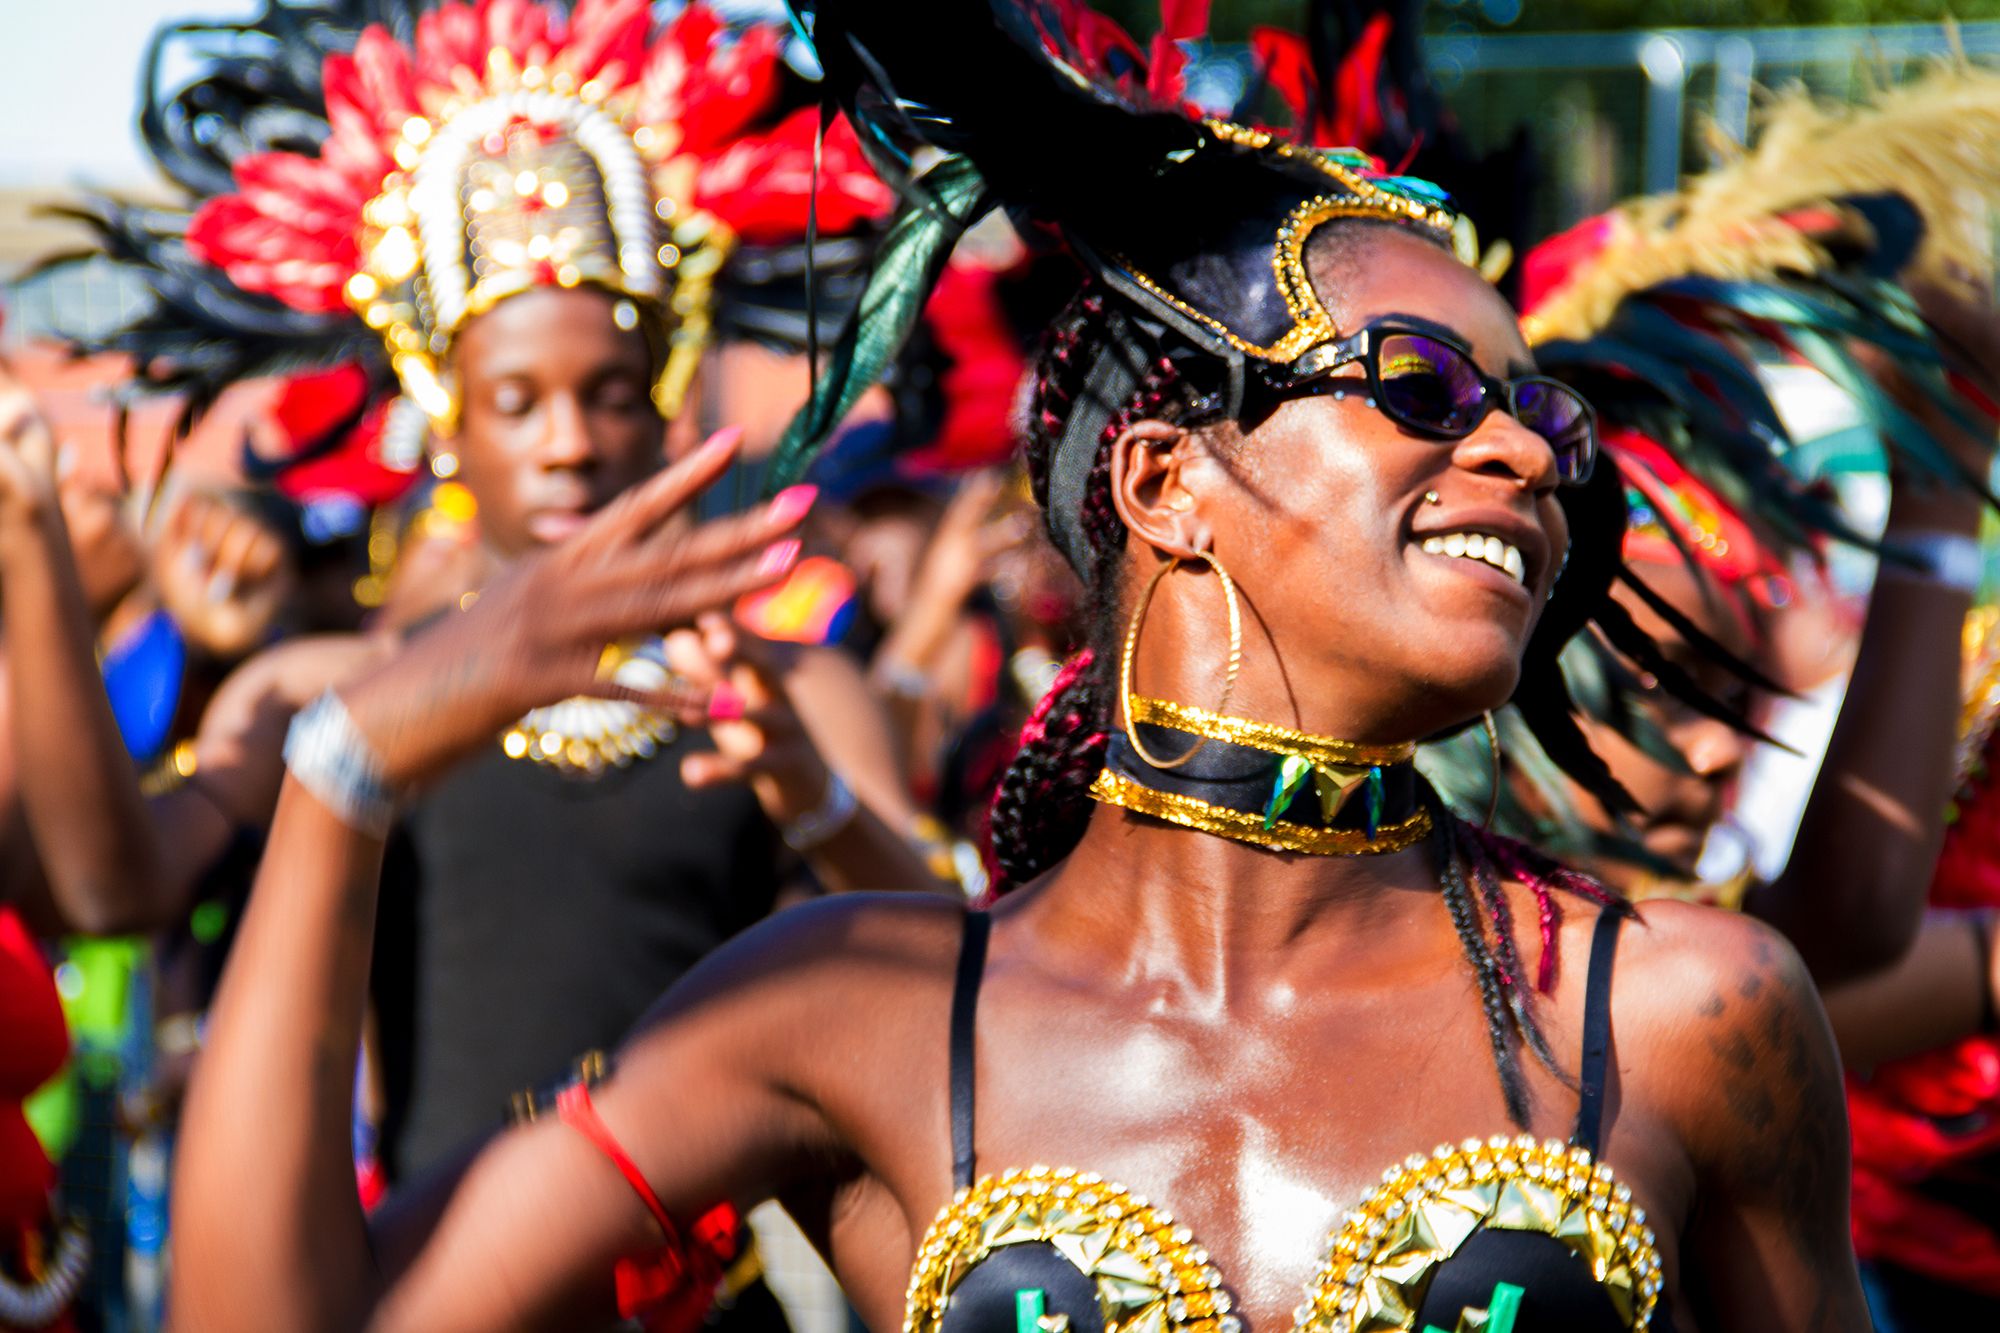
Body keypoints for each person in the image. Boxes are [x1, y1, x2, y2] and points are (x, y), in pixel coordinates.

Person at [168, 3, 1863, 1330]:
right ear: (1168, 483)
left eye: (1544, 416)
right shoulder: (859, 1011)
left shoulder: (1679, 1012)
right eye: (1422, 382)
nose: (1519, 453)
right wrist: (352, 758)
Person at [13, 0, 950, 1220]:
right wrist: (33, 548)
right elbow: (107, 899)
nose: (568, 442)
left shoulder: (784, 691)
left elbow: (940, 968)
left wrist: (812, 798)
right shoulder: (333, 693)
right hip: (428, 1282)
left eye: (609, 392)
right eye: (517, 401)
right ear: (447, 423)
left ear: (666, 405)